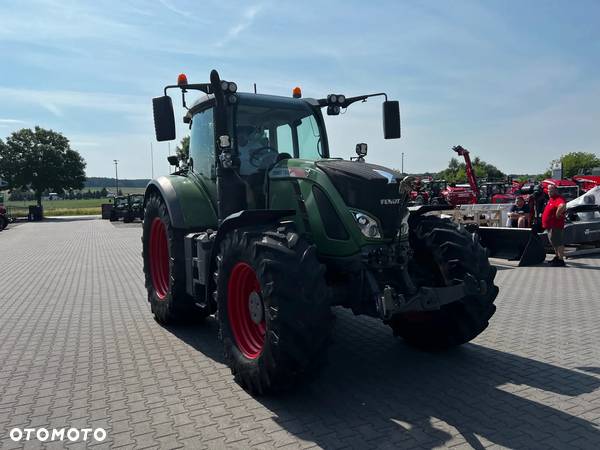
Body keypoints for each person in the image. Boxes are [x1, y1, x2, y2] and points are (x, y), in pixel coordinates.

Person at [542, 184, 567, 266]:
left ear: (556, 190)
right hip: (550, 226)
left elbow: (562, 205)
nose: (549, 192)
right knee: (554, 242)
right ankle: (557, 257)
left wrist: (558, 213)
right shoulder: (551, 199)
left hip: (555, 225)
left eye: (551, 190)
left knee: (558, 243)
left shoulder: (558, 199)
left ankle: (560, 260)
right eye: (548, 190)